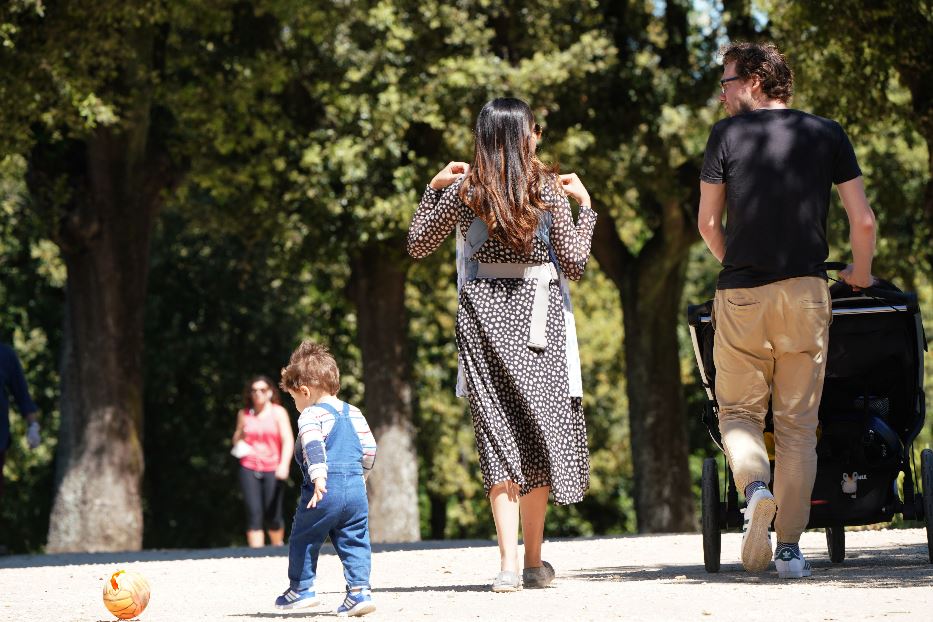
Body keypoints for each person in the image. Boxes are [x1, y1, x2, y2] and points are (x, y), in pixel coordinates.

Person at [698, 41, 876, 578]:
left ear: (754, 80)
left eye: (727, 81)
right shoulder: (827, 133)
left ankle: (755, 489)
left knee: (738, 414)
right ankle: (791, 551)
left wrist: (740, 266)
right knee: (798, 425)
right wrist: (861, 273)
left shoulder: (727, 136)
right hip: (805, 292)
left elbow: (708, 224)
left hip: (743, 297)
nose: (722, 93)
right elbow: (862, 221)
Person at [407, 97, 596, 591]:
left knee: (499, 437)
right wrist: (587, 209)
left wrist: (432, 189)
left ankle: (508, 565)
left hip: (483, 319)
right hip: (541, 322)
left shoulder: (468, 190)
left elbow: (417, 244)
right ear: (525, 136)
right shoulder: (548, 189)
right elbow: (574, 264)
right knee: (537, 436)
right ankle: (534, 562)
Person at [274, 340, 377, 616]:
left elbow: (313, 446)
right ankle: (359, 592)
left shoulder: (310, 414)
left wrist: (319, 476)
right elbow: (369, 449)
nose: (296, 404)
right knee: (355, 537)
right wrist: (362, 477)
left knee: (305, 536)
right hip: (355, 487)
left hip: (324, 488)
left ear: (304, 391)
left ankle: (301, 588)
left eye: (294, 398)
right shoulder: (354, 412)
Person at [231, 375, 294, 547]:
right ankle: (256, 556)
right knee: (254, 513)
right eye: (254, 390)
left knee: (273, 514)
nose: (258, 393)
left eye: (262, 390)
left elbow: (287, 440)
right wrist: (240, 434)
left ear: (270, 392)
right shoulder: (244, 414)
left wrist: (284, 465)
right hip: (249, 466)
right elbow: (236, 440)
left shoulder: (278, 412)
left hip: (273, 467)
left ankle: (277, 548)